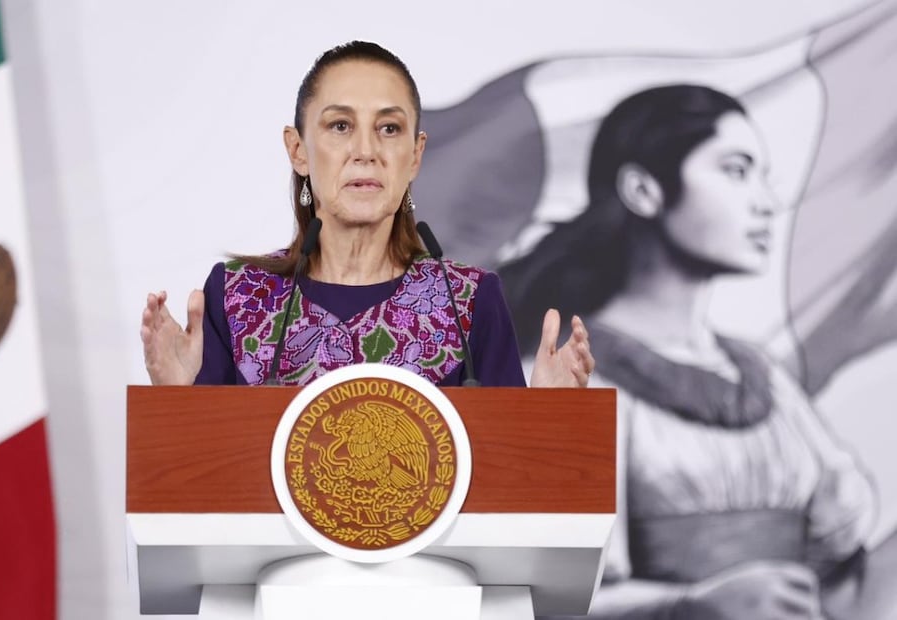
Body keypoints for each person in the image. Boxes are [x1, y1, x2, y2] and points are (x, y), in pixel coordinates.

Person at [499, 85, 881, 619]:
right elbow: (534, 604)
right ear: (643, 190)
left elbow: (843, 563)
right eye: (736, 170)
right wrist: (692, 605)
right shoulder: (560, 380)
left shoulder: (761, 376)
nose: (767, 202)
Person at [140, 40, 594, 391]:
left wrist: (549, 419)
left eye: (389, 129)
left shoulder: (469, 303)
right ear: (298, 150)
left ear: (415, 156)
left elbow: (509, 489)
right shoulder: (238, 297)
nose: (366, 151)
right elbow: (203, 488)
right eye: (340, 126)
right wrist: (179, 399)